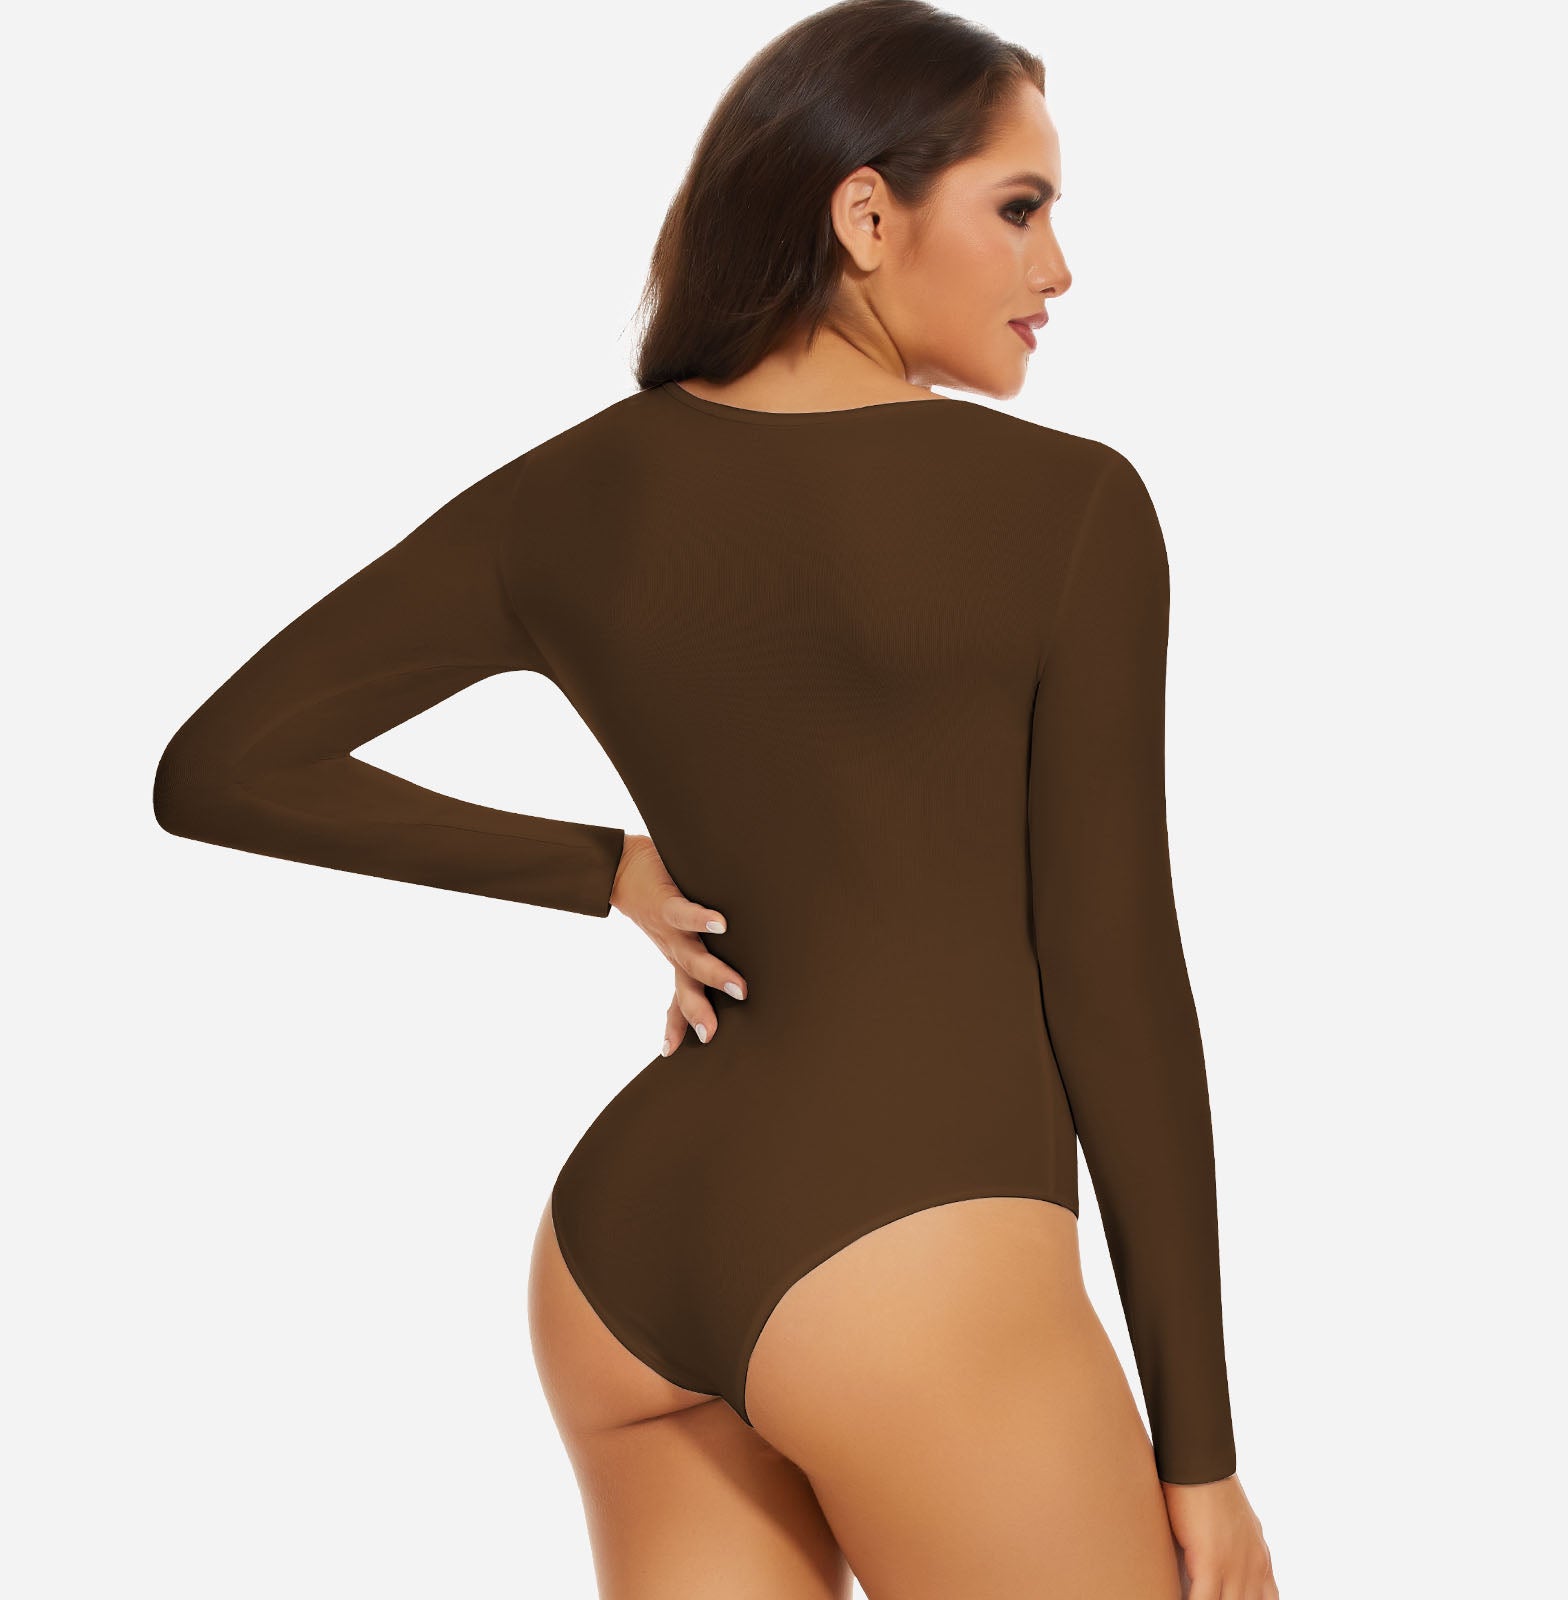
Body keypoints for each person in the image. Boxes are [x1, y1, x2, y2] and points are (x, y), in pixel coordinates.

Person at [152, 1, 1278, 1594]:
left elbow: (223, 765)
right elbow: (1118, 979)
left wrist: (604, 867)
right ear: (868, 215)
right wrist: (1201, 1455)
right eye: (1021, 208)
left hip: (624, 1258)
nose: (1060, 267)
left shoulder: (576, 491)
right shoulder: (1065, 509)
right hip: (914, 1253)